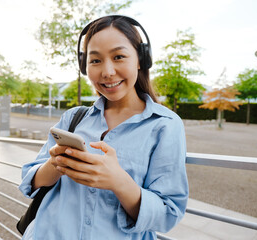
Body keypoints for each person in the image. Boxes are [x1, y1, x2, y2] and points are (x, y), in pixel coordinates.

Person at [19, 15, 188, 239]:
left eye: (118, 56)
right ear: (84, 65)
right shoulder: (73, 118)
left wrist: (118, 181)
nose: (107, 71)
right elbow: (29, 181)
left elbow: (168, 214)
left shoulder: (165, 125)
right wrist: (55, 164)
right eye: (95, 60)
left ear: (140, 59)